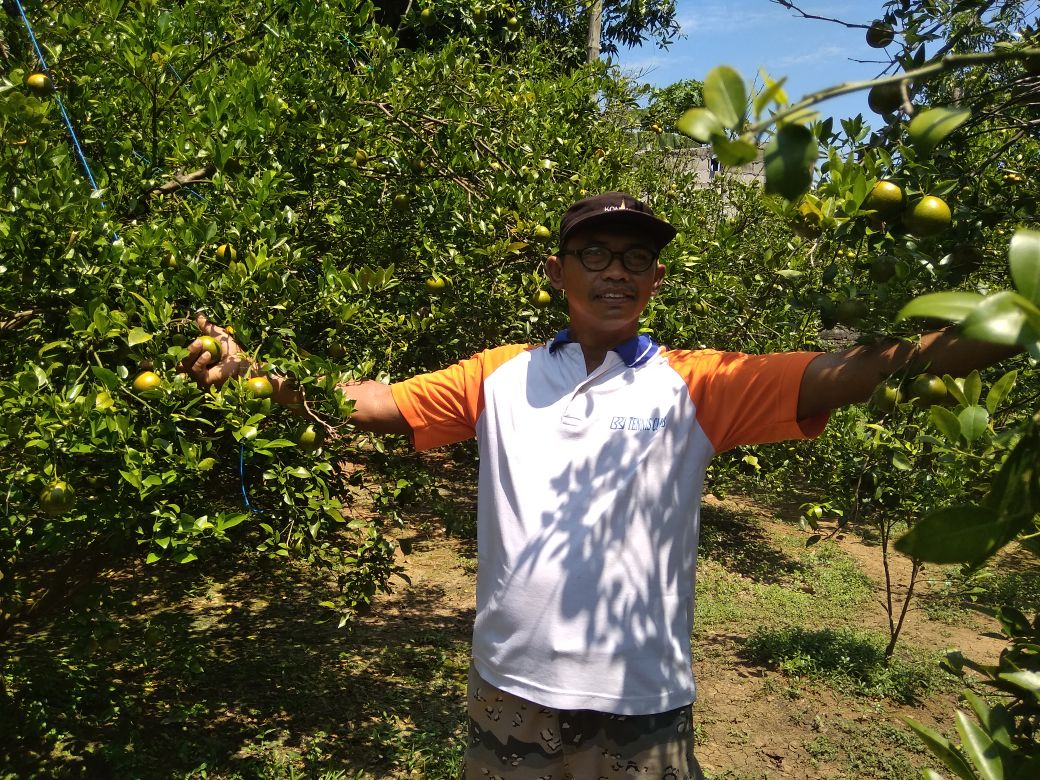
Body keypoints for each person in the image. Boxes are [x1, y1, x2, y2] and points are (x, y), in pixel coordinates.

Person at [181, 192, 1016, 779]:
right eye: (594, 253)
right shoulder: (498, 376)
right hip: (509, 690)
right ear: (556, 269)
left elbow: (859, 371)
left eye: (636, 258)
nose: (615, 271)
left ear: (655, 281)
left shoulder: (704, 384)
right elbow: (369, 403)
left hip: (641, 705)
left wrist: (1014, 321)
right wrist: (257, 372)